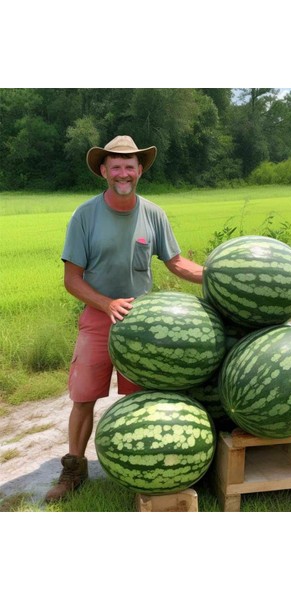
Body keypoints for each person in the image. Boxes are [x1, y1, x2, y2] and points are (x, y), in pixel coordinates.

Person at [45, 135, 204, 503]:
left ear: (139, 171)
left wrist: (213, 274)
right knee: (84, 397)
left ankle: (142, 468)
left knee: (142, 400)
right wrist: (105, 304)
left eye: (130, 166)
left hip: (143, 324)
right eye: (115, 166)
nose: (123, 173)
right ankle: (74, 470)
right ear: (104, 171)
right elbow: (72, 279)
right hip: (99, 317)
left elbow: (177, 263)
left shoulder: (154, 214)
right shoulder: (85, 215)